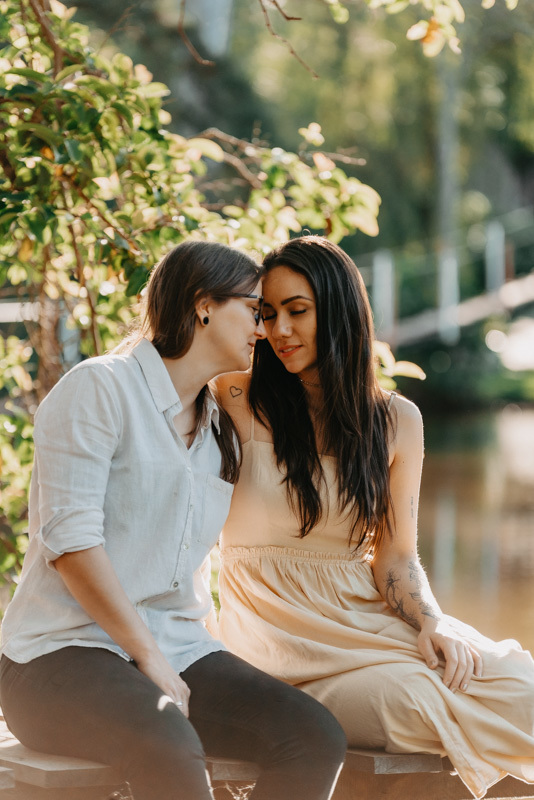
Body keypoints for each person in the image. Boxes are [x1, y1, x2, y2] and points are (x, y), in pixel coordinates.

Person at [0, 240, 347, 800]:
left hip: (175, 648)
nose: (263, 329)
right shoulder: (100, 388)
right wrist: (149, 659)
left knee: (313, 734)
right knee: (168, 739)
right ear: (204, 304)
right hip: (55, 657)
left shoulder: (218, 428)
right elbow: (70, 543)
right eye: (255, 310)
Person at [215, 235, 534, 800]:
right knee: (415, 699)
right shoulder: (235, 397)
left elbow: (396, 554)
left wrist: (430, 619)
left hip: (366, 618)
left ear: (339, 311)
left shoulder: (395, 420)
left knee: (520, 685)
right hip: (280, 647)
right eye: (267, 315)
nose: (278, 330)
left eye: (297, 311)